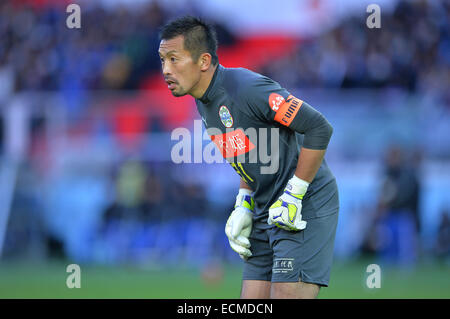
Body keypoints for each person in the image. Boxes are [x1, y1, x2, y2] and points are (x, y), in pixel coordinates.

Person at [158, 16, 339, 299]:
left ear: (203, 62)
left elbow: (319, 127)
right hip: (265, 205)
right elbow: (248, 158)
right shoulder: (204, 100)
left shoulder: (246, 88)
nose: (165, 70)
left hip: (302, 203)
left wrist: (295, 193)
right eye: (162, 60)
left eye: (173, 59)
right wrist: (243, 204)